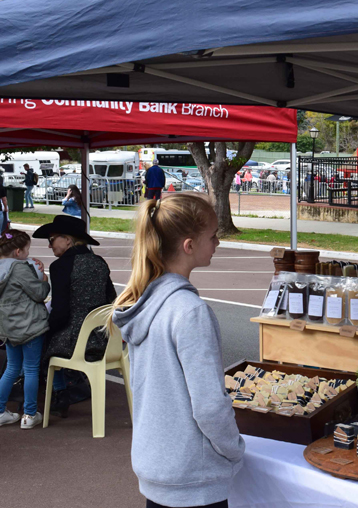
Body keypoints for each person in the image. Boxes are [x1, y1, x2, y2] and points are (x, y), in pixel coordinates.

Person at [111, 195, 244, 508]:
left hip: (157, 466)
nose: (217, 243)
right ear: (188, 245)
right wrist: (234, 448)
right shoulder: (190, 312)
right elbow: (210, 407)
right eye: (212, 237)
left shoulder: (143, 305)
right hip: (193, 477)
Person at [33, 215, 116, 417]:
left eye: (52, 240)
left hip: (74, 341)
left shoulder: (60, 266)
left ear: (67, 239)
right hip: (104, 340)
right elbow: (111, 299)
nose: (49, 246)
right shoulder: (99, 262)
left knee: (41, 340)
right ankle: (65, 391)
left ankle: (59, 393)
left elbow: (61, 312)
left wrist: (45, 328)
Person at [0, 230, 50, 429]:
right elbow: (38, 294)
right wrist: (44, 280)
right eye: (28, 250)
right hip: (30, 325)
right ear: (18, 252)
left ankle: (1, 411)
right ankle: (29, 415)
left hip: (8, 327)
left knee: (12, 368)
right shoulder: (20, 268)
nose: (29, 255)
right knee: (30, 369)